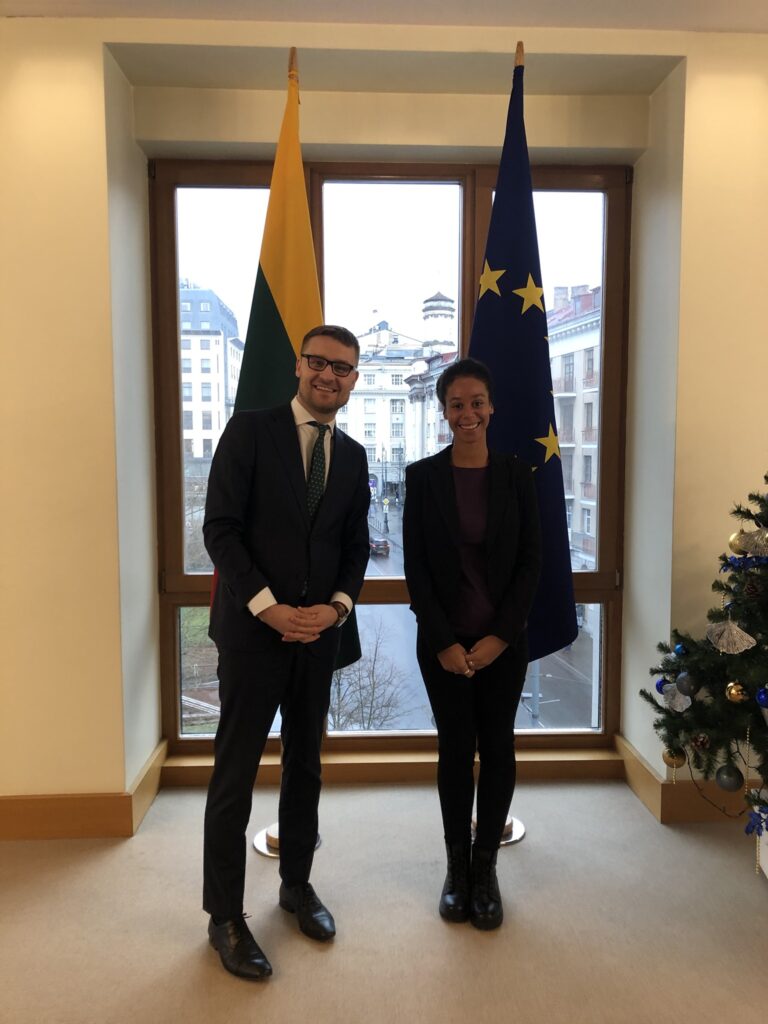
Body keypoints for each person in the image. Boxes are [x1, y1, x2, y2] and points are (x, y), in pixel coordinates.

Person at [202, 325, 370, 980]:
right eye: (319, 362)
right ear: (299, 366)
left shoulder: (352, 456)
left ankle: (296, 885)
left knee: (306, 766)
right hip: (253, 634)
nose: (330, 375)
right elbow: (221, 529)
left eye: (343, 368)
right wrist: (267, 606)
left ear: (353, 380)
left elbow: (354, 546)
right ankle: (224, 916)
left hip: (317, 636)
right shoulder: (249, 431)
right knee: (235, 773)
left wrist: (337, 607)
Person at [403, 357, 541, 930]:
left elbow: (531, 564)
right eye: (456, 404)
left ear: (491, 407)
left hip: (502, 645)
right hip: (444, 646)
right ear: (444, 411)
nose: (467, 413)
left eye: (476, 402)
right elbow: (417, 569)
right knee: (456, 751)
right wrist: (443, 642)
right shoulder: (422, 477)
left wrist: (500, 638)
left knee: (498, 748)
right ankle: (456, 869)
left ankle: (486, 868)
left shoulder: (517, 475)